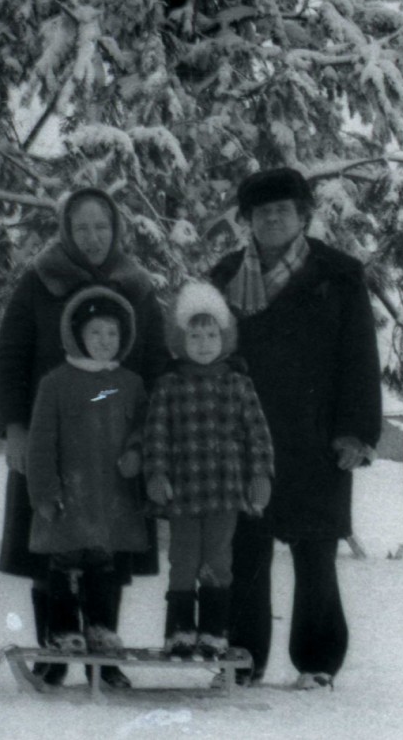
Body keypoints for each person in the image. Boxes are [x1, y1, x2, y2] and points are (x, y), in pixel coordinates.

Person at [209, 167, 382, 690]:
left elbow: (360, 359)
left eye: (283, 210)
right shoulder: (224, 278)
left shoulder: (340, 274)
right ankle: (243, 659)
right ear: (248, 221)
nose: (272, 219)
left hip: (318, 438)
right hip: (246, 441)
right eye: (261, 213)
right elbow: (208, 356)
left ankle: (318, 663)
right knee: (246, 554)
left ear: (303, 215)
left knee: (316, 555)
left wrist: (357, 432)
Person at [0, 187, 169, 688]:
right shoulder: (38, 282)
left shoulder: (137, 287)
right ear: (67, 232)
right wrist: (15, 429)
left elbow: (156, 364)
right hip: (49, 444)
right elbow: (11, 358)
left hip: (115, 448)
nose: (92, 238)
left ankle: (103, 653)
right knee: (47, 548)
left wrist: (150, 437)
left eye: (102, 227)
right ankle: (55, 650)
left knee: (107, 552)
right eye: (82, 227)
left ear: (117, 231)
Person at [141, 281, 275, 659]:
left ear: (225, 337)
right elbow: (156, 436)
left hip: (224, 493)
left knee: (218, 560)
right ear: (181, 338)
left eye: (211, 334)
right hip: (182, 494)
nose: (203, 342)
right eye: (194, 335)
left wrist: (261, 475)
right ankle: (180, 633)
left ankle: (214, 631)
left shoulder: (238, 384)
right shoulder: (169, 385)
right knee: (183, 560)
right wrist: (157, 474)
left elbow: (258, 435)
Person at [25, 286, 149, 656]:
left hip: (111, 499)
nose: (104, 341)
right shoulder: (56, 383)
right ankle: (63, 632)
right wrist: (44, 493)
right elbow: (40, 443)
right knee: (63, 565)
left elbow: (145, 429)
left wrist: (136, 452)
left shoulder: (131, 384)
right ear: (78, 334)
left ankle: (102, 632)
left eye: (112, 332)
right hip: (69, 497)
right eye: (95, 332)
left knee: (105, 567)